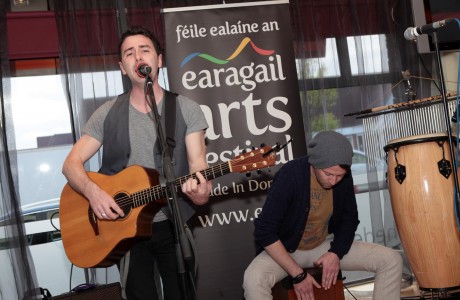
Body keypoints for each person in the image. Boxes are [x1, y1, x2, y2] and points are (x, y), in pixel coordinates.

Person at [62, 25, 212, 300]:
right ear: (123, 67)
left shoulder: (186, 109)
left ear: (159, 60)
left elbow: (198, 167)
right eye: (129, 54)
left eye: (145, 50)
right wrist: (93, 193)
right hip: (122, 230)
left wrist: (201, 192)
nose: (138, 57)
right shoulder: (106, 113)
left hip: (172, 224)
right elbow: (71, 164)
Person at [243, 131, 402, 300]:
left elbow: (350, 220)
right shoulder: (290, 175)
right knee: (253, 279)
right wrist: (298, 275)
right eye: (328, 174)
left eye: (339, 176)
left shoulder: (344, 178)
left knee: (391, 260)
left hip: (323, 245)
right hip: (288, 249)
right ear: (314, 163)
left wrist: (335, 253)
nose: (333, 181)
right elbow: (264, 230)